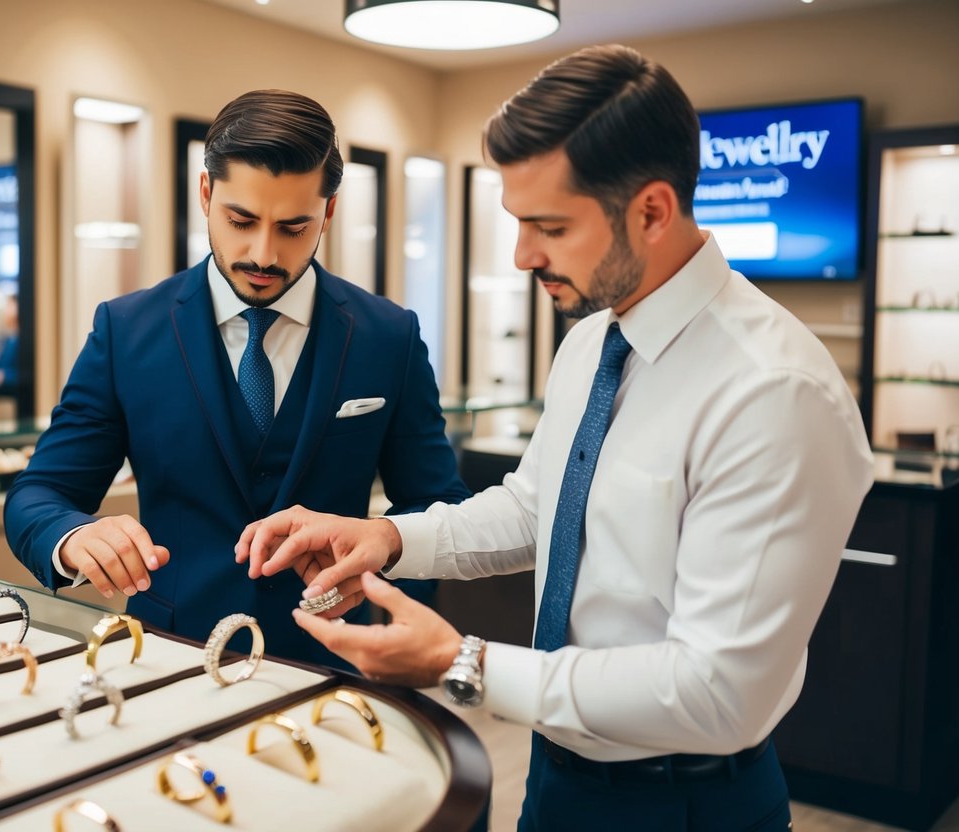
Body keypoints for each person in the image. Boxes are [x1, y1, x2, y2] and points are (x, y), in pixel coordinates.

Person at [237, 45, 874, 830]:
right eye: (517, 223)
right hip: (558, 777)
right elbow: (537, 508)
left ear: (650, 209)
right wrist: (386, 537)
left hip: (687, 801)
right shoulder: (589, 340)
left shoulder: (773, 393)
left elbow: (719, 694)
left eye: (549, 226)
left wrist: (459, 663)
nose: (520, 256)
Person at [5, 89, 467, 666]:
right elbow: (38, 495)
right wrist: (73, 538)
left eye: (293, 227)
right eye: (240, 220)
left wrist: (393, 599)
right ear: (205, 194)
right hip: (168, 658)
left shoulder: (387, 335)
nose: (263, 253)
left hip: (333, 659)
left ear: (328, 212)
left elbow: (437, 503)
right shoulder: (126, 330)